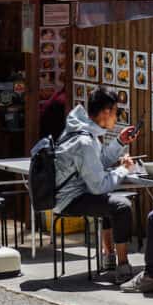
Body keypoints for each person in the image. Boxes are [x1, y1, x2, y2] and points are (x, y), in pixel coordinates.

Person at [54, 86, 138, 284]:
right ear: (106, 112)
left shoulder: (82, 130)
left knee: (110, 201)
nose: (117, 117)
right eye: (117, 112)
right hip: (68, 199)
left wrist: (119, 141)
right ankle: (123, 266)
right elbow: (99, 186)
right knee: (120, 206)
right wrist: (124, 169)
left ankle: (109, 258)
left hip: (70, 193)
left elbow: (98, 163)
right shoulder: (84, 140)